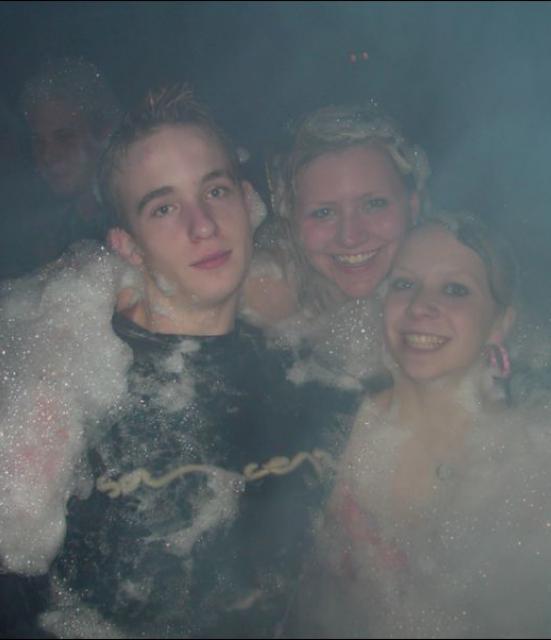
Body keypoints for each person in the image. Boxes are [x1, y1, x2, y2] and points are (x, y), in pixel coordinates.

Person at [0, 86, 357, 638]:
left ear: (247, 202)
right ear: (127, 245)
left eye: (215, 191)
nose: (203, 225)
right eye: (163, 207)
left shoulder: (309, 367)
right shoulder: (68, 389)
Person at [293, 212, 551, 637]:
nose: (421, 306)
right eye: (404, 284)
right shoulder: (331, 431)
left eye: (455, 289)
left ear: (499, 323)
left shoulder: (545, 459)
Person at [241, 104, 430, 388]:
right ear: (291, 216)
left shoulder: (458, 285)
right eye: (323, 212)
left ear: (412, 207)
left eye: (373, 204)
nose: (350, 237)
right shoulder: (265, 290)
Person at [19, 57, 121, 268]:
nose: (48, 156)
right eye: (39, 142)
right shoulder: (48, 229)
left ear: (102, 133)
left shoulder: (129, 216)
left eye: (64, 137)